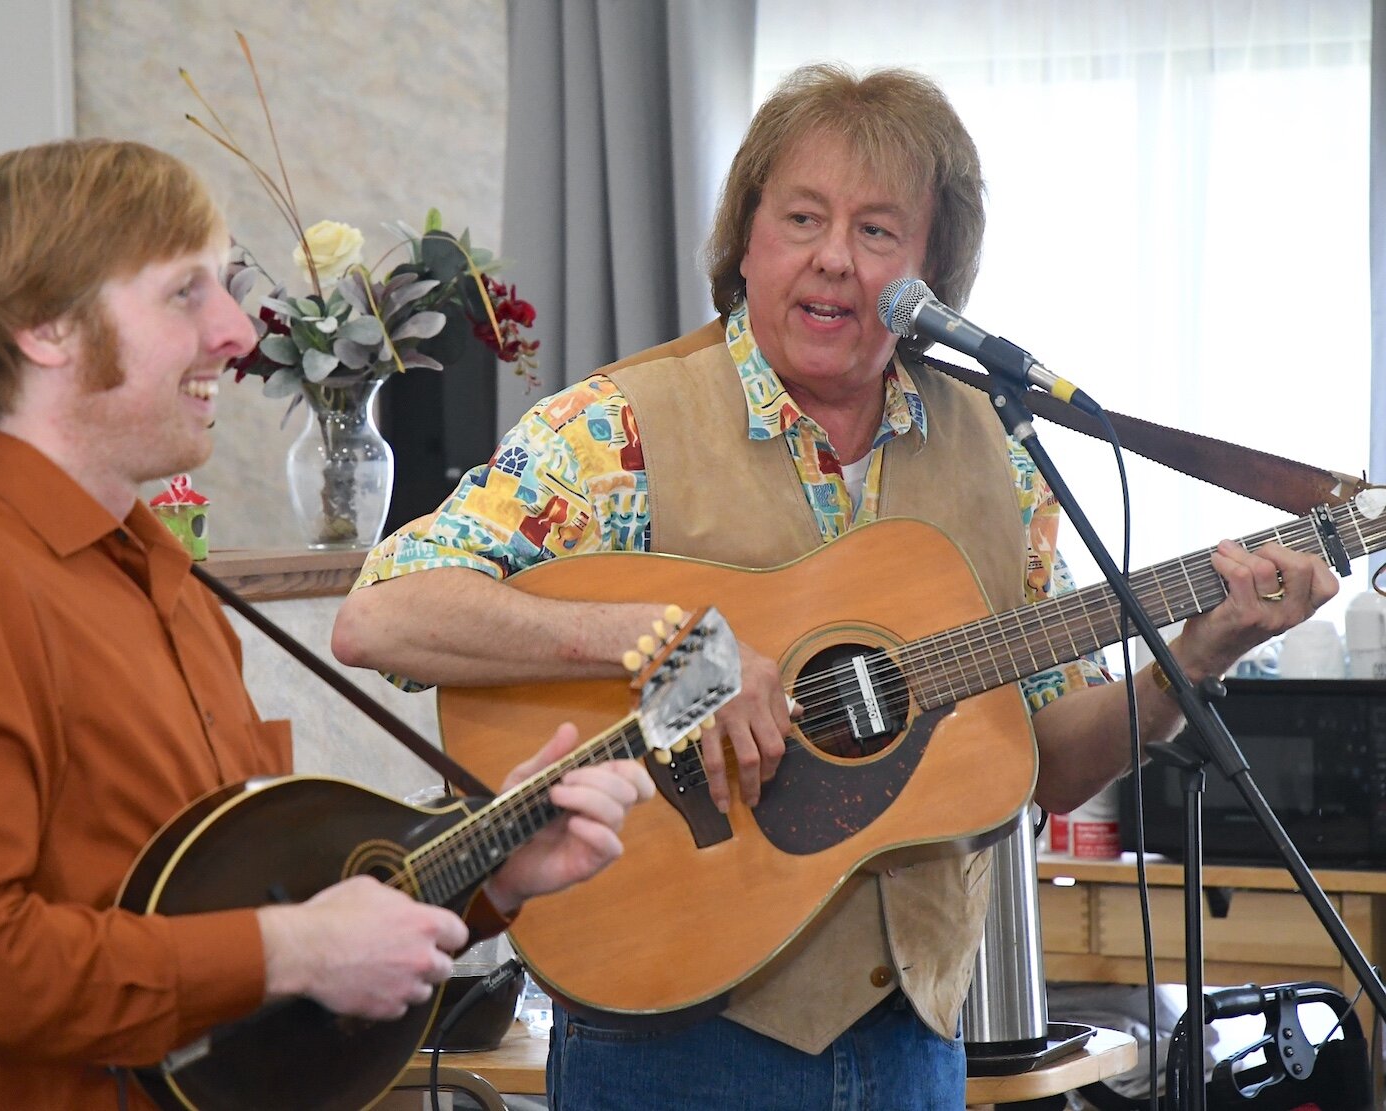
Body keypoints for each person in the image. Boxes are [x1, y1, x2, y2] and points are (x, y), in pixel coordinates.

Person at [330, 65, 1337, 1109]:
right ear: (747, 241)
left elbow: (1041, 761)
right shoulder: (616, 428)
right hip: (670, 1037)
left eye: (875, 232)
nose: (831, 259)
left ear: (929, 274)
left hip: (912, 1047)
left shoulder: (1003, 458)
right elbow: (382, 618)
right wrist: (664, 638)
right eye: (801, 217)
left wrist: (1193, 658)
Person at [0, 138, 654, 1111]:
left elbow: (238, 901)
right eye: (187, 292)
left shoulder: (168, 578)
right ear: (42, 325)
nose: (233, 331)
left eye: (227, 286)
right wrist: (284, 950)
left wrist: (487, 877)